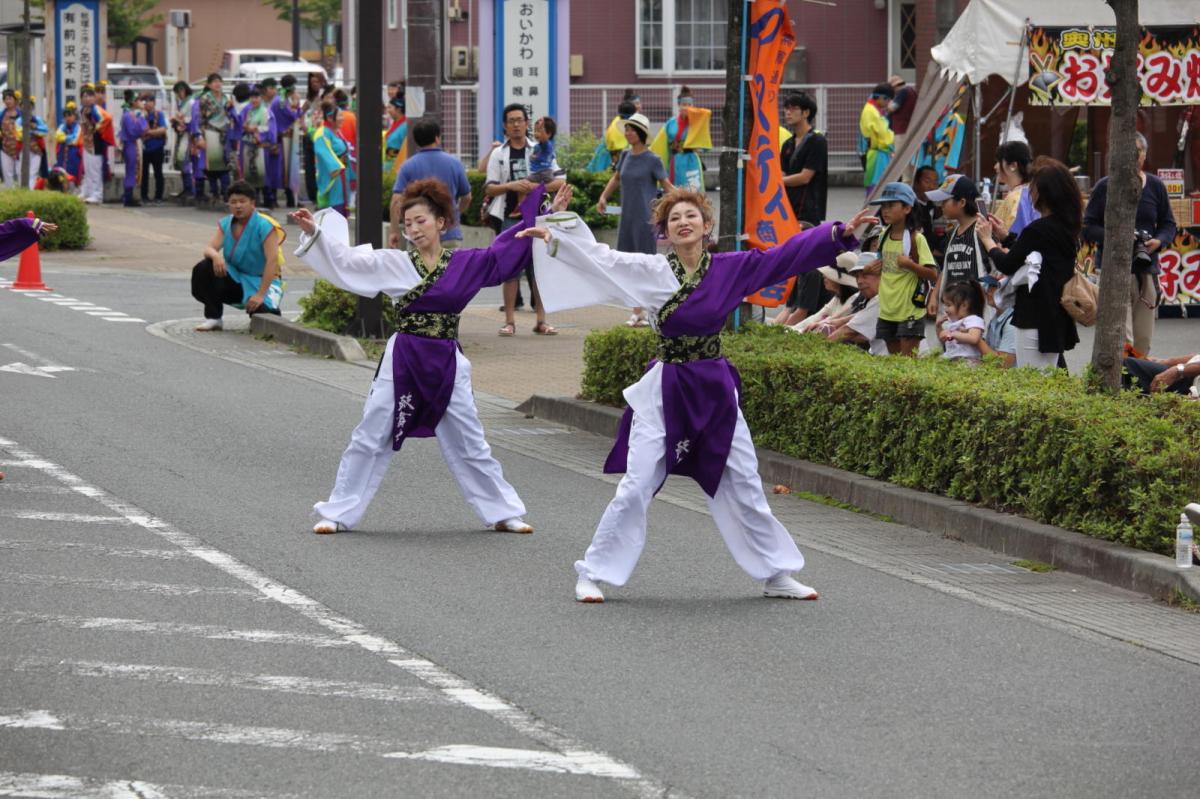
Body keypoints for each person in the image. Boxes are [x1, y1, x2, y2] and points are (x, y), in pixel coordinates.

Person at [521, 187, 876, 603]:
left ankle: (776, 573)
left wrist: (835, 236)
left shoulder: (731, 268)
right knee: (636, 484)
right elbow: (603, 260)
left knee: (744, 481)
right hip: (666, 390)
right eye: (674, 219)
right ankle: (594, 572)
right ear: (665, 233)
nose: (683, 222)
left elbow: (782, 256)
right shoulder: (650, 271)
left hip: (714, 390)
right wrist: (558, 231)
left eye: (691, 216)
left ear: (707, 227)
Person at [288, 180, 569, 536]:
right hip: (404, 358)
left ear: (441, 222)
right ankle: (338, 512)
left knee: (470, 439)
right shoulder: (392, 263)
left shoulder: (464, 263)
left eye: (420, 221)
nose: (413, 229)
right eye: (407, 224)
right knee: (371, 433)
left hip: (446, 360)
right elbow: (348, 261)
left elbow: (504, 251)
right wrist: (316, 234)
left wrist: (548, 215)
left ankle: (502, 511)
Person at [977, 158, 1081, 368]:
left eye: (1032, 188)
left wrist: (988, 240)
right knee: (1048, 377)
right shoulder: (1065, 227)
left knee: (1034, 379)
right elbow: (1031, 251)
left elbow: (1007, 264)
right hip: (1055, 314)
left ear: (1043, 193)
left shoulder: (1038, 229)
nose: (1029, 193)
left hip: (1034, 315)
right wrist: (1006, 237)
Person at [1083, 131, 1177, 358]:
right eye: (1127, 152)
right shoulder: (1105, 186)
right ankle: (1122, 384)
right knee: (1121, 339)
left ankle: (1138, 386)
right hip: (1114, 270)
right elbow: (1088, 226)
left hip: (1146, 270)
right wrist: (1117, 238)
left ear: (1145, 155)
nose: (1133, 157)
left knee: (1143, 339)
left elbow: (1169, 224)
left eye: (1137, 152)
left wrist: (1159, 241)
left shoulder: (1155, 186)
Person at [484, 103, 559, 337]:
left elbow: (559, 181)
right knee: (510, 271)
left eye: (520, 120)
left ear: (527, 124)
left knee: (538, 269)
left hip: (537, 218)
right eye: (511, 121)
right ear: (505, 126)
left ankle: (541, 321)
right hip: (509, 219)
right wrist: (512, 186)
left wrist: (536, 186)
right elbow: (489, 188)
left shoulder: (542, 149)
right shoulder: (499, 154)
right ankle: (509, 321)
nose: (516, 124)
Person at [595, 112, 673, 327]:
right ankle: (636, 311)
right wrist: (603, 197)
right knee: (629, 264)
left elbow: (667, 186)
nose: (627, 133)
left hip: (645, 220)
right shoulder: (626, 156)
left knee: (646, 264)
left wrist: (687, 202)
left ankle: (649, 310)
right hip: (627, 219)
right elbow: (616, 178)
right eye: (626, 129)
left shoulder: (653, 159)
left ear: (640, 133)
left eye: (630, 129)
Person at [191, 180, 286, 332]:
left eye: (242, 201)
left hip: (261, 281)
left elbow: (272, 261)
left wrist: (261, 294)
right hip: (236, 277)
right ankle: (214, 317)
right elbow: (209, 248)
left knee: (266, 320)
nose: (238, 206)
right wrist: (216, 256)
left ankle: (266, 306)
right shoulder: (226, 223)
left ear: (252, 203)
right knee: (204, 267)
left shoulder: (265, 225)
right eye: (233, 202)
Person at [867, 182, 938, 356]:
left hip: (909, 311)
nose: (885, 210)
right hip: (887, 310)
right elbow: (883, 265)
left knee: (907, 366)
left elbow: (933, 274)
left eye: (891, 205)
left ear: (907, 208)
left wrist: (910, 265)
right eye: (883, 206)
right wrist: (872, 268)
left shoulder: (917, 239)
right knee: (895, 364)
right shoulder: (883, 236)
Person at [389, 117, 471, 249]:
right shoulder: (455, 163)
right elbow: (467, 197)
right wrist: (454, 213)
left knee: (418, 270)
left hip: (418, 237)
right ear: (437, 138)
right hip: (449, 235)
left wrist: (394, 230)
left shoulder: (408, 166)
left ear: (416, 141)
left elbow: (395, 201)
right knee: (450, 270)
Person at [926, 174, 988, 332]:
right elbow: (947, 267)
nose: (941, 205)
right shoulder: (952, 233)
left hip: (976, 314)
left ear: (961, 202)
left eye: (945, 201)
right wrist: (934, 295)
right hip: (951, 312)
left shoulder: (982, 231)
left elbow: (993, 270)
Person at [780, 92, 828, 227]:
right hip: (787, 207)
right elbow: (782, 172)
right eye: (786, 108)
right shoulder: (787, 143)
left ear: (806, 113)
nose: (788, 112)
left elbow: (805, 177)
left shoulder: (817, 141)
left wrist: (777, 182)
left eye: (793, 108)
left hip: (808, 209)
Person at [653, 86, 710, 191]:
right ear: (679, 106)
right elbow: (659, 144)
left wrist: (698, 148)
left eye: (690, 104)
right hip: (675, 161)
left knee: (693, 191)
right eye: (684, 104)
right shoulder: (670, 123)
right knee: (676, 190)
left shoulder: (697, 123)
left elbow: (705, 145)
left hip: (692, 160)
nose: (687, 107)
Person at [789, 255, 859, 334]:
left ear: (840, 281)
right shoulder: (838, 297)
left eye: (829, 274)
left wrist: (792, 330)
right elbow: (816, 317)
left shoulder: (854, 300)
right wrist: (792, 329)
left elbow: (827, 323)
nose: (823, 276)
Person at [192, 74, 234, 205]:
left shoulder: (226, 98)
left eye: (219, 81)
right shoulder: (204, 99)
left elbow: (230, 116)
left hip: (224, 135)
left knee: (225, 164)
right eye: (214, 82)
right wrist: (198, 136)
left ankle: (225, 193)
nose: (217, 84)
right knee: (211, 166)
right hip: (210, 134)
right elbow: (199, 119)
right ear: (209, 85)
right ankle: (214, 192)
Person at [311, 99, 355, 217]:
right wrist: (337, 167)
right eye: (340, 115)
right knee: (333, 212)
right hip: (334, 176)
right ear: (330, 118)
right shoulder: (322, 133)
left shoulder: (336, 132)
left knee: (342, 209)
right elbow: (323, 154)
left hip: (342, 175)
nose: (342, 118)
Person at [237, 86, 277, 204]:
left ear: (261, 98)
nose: (254, 100)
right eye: (252, 97)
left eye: (256, 97)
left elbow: (270, 129)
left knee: (263, 173)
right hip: (248, 145)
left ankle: (268, 200)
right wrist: (246, 128)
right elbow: (241, 125)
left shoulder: (266, 112)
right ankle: (254, 200)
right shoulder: (247, 111)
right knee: (250, 174)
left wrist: (255, 129)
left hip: (260, 146)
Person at [992, 140, 1036, 237]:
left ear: (1013, 166)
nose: (995, 167)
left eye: (999, 162)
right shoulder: (1032, 191)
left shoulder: (1016, 198)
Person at [78, 87, 114, 204]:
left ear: (94, 97)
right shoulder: (83, 110)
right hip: (87, 143)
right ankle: (87, 192)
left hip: (95, 144)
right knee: (87, 170)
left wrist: (97, 128)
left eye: (89, 96)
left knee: (95, 170)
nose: (87, 98)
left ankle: (97, 194)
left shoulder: (96, 109)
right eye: (84, 96)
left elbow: (107, 118)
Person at [938, 281, 986, 364]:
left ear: (964, 305)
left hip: (969, 360)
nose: (945, 309)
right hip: (953, 358)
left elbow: (974, 338)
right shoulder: (954, 321)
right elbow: (943, 339)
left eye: (949, 305)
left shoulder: (973, 319)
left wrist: (952, 333)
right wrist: (938, 326)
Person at [859, 83, 895, 194]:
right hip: (877, 154)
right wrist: (892, 146)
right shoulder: (872, 112)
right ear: (880, 97)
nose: (888, 103)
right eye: (888, 100)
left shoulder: (871, 109)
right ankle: (874, 211)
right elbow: (883, 133)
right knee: (877, 188)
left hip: (875, 152)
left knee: (875, 186)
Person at [587, 99, 636, 172]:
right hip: (608, 159)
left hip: (605, 155)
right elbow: (617, 154)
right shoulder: (619, 128)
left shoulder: (618, 120)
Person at [170, 81, 199, 204]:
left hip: (190, 136)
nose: (178, 95)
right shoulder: (184, 102)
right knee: (184, 162)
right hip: (184, 134)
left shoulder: (191, 102)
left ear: (183, 90)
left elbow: (191, 119)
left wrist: (179, 121)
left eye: (179, 92)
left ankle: (192, 189)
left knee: (187, 162)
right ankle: (188, 188)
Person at [1123, 350, 1200, 396]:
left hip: (1192, 379)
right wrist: (1164, 362)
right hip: (1188, 369)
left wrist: (1178, 371)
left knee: (1127, 363)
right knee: (1128, 353)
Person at [118, 92, 147, 207]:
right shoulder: (129, 115)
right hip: (131, 144)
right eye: (139, 100)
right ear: (134, 102)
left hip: (131, 144)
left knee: (132, 170)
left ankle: (128, 196)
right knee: (131, 170)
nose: (141, 102)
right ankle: (128, 197)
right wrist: (141, 118)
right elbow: (134, 131)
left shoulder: (129, 114)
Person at [140, 94, 167, 205]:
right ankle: (144, 197)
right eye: (145, 101)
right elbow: (138, 130)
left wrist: (149, 132)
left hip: (157, 148)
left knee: (158, 173)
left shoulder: (159, 114)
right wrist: (153, 132)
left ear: (154, 103)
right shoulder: (140, 115)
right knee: (144, 174)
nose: (148, 103)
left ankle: (158, 197)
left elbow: (163, 129)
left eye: (150, 100)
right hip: (144, 149)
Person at [55, 104, 84, 185]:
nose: (67, 118)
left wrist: (63, 138)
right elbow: (57, 136)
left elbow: (75, 140)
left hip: (73, 156)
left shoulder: (78, 127)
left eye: (70, 115)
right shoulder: (62, 126)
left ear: (75, 116)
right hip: (62, 155)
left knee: (73, 174)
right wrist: (68, 138)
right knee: (61, 174)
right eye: (65, 116)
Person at [382, 95, 409, 184]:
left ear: (398, 109)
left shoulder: (405, 126)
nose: (387, 110)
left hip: (397, 167)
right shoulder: (395, 124)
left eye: (390, 107)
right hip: (388, 164)